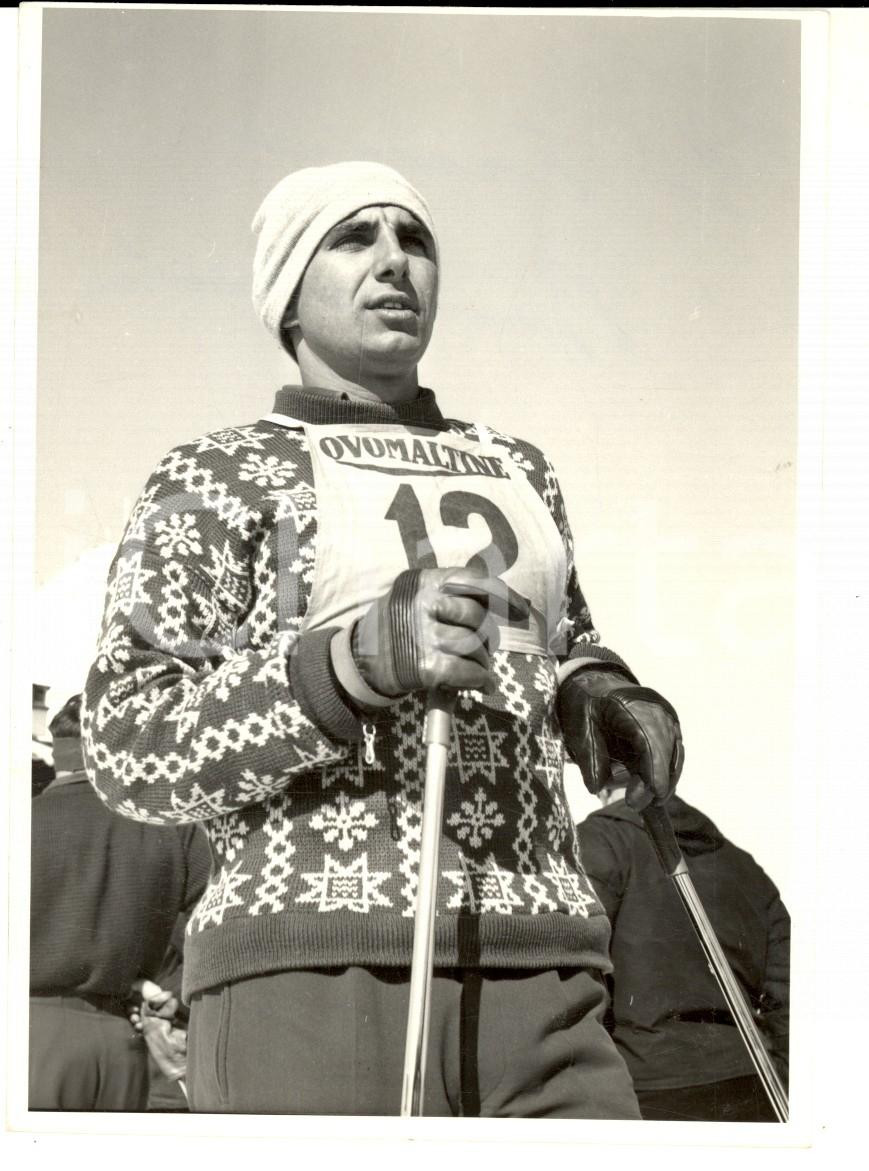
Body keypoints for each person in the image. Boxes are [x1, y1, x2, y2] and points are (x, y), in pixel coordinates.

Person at [82, 161, 684, 1117]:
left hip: (543, 962)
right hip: (311, 967)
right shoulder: (214, 472)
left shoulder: (515, 465)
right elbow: (129, 743)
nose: (395, 261)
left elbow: (563, 638)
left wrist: (596, 693)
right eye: (352, 238)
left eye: (415, 240)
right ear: (288, 290)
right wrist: (352, 664)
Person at [29, 695, 210, 1111]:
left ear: (58, 751)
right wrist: (172, 993)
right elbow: (217, 921)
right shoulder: (172, 827)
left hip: (30, 1037)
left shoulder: (20, 822)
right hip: (123, 1045)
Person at [576, 772, 789, 1122]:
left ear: (602, 787)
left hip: (647, 1093)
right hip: (752, 1087)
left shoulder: (599, 840)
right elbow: (791, 997)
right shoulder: (746, 868)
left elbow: (578, 971)